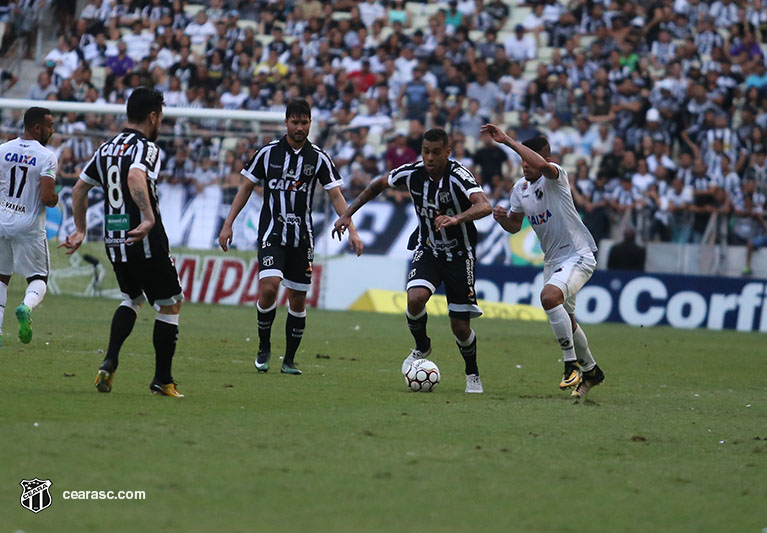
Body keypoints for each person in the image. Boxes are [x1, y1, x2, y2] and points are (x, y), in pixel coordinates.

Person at [332, 129, 492, 394]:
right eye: (426, 151)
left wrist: (456, 218)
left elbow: (484, 205)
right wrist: (348, 214)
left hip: (459, 255)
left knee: (460, 327)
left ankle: (472, 373)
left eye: (436, 152)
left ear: (447, 153)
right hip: (428, 248)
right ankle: (422, 346)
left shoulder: (459, 175)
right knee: (415, 298)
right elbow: (378, 185)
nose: (430, 157)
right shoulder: (412, 173)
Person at [218, 98, 363, 375]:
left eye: (304, 122)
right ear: (286, 123)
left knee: (297, 299)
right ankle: (263, 346)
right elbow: (245, 187)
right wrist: (228, 224)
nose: (299, 127)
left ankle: (289, 360)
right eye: (295, 122)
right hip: (272, 233)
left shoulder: (318, 157)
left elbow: (335, 195)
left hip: (302, 238)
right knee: (270, 287)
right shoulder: (267, 153)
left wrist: (352, 230)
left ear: (310, 123)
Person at [60, 87, 185, 398]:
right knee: (170, 303)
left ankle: (110, 360)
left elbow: (78, 189)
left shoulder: (106, 148)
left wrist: (79, 229)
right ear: (153, 116)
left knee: (132, 297)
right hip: (143, 237)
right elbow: (134, 177)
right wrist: (147, 216)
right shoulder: (146, 148)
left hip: (114, 238)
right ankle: (163, 380)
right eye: (161, 117)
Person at [483, 123, 605, 399]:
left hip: (578, 254)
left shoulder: (556, 176)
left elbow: (541, 163)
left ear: (543, 160)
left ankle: (570, 363)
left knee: (549, 298)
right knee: (568, 319)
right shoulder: (520, 189)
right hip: (553, 261)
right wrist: (503, 220)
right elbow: (515, 225)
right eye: (522, 160)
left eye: (528, 159)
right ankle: (592, 371)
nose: (524, 165)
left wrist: (507, 140)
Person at [0, 107, 58, 347]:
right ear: (37, 128)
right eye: (50, 126)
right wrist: (56, 199)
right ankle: (26, 305)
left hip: (1, 221)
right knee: (39, 277)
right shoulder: (46, 157)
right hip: (28, 226)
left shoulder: (2, 150)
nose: (52, 131)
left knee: (1, 278)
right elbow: (47, 197)